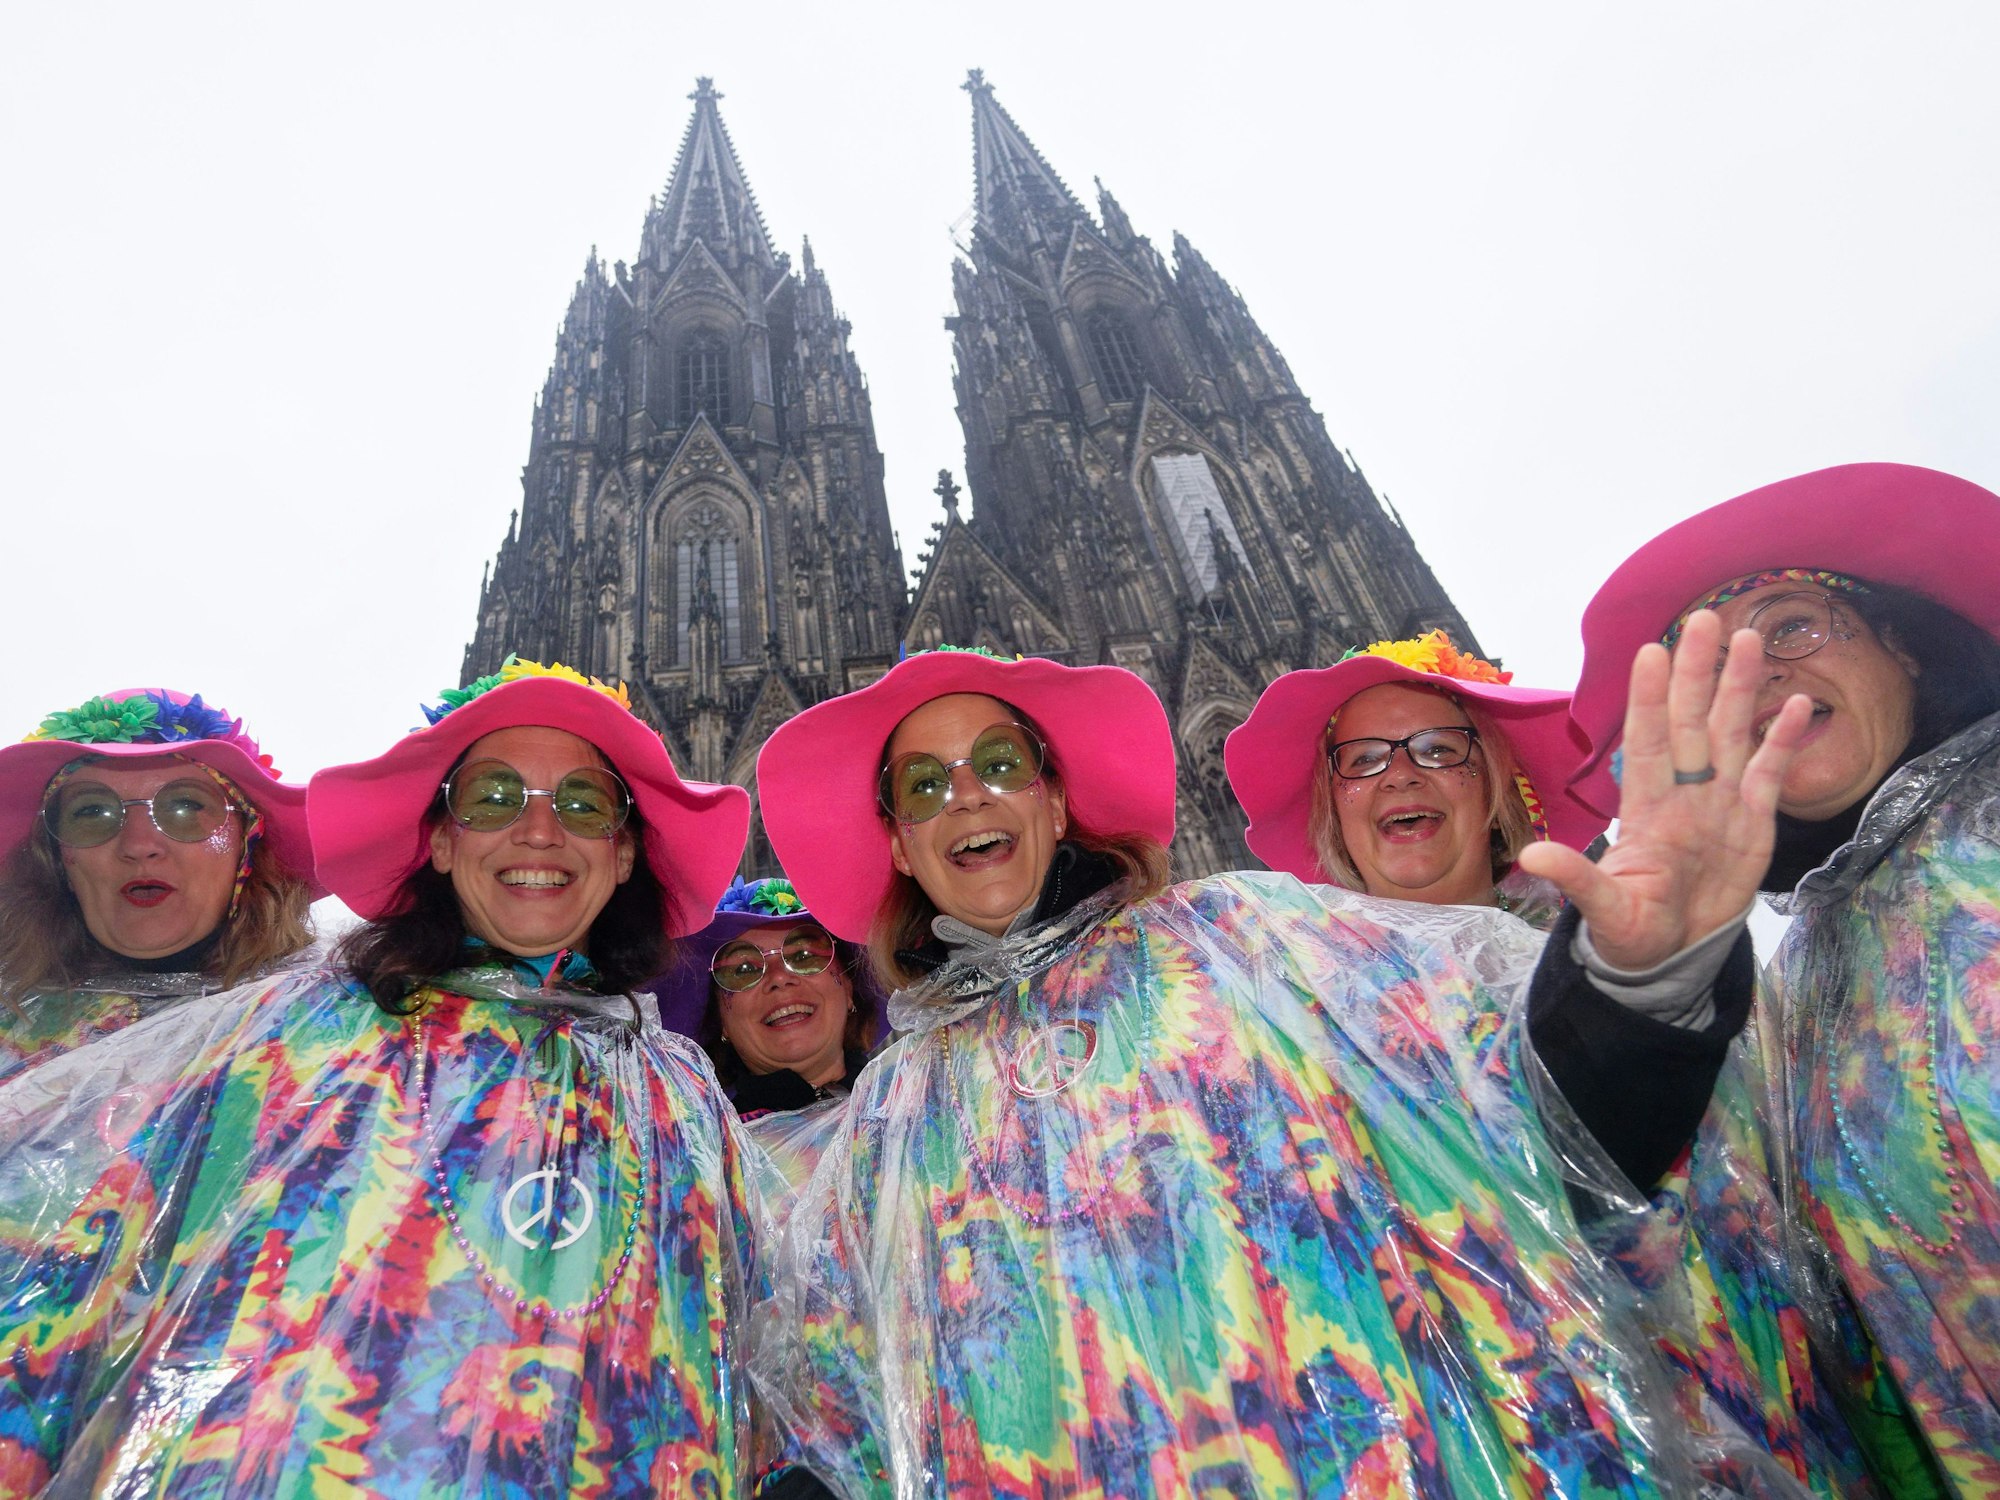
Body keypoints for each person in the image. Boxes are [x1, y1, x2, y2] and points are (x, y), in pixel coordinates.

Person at [749, 639, 1805, 1498]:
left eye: (1000, 765)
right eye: (925, 785)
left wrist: (1640, 983)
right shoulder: (892, 1108)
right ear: (898, 842)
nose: (967, 799)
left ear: (1055, 801)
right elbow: (837, 1407)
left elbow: (1528, 1121)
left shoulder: (1244, 937)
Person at [0, 657, 817, 1496]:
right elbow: (55, 1299)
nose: (540, 831)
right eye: (493, 798)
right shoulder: (286, 1033)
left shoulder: (680, 1094)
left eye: (583, 804)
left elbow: (758, 1362)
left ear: (623, 855)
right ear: (439, 838)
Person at [1568, 462, 2000, 1496]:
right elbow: (1662, 1242)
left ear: (1897, 636)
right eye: (1706, 667)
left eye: (1791, 624)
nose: (1753, 671)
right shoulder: (1800, 975)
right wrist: (1640, 989)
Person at [0, 687, 318, 1081]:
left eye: (186, 806)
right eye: (93, 811)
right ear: (57, 858)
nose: (139, 846)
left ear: (247, 845)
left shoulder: (334, 1024)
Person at [1224, 629, 1607, 925]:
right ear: (1332, 809)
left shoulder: (1598, 959)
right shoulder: (1280, 989)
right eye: (1364, 759)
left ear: (1499, 783)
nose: (1400, 776)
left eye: (1438, 749)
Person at [658, 875, 879, 1196]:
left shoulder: (919, 1106)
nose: (778, 978)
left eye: (804, 956)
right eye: (742, 970)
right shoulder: (695, 1164)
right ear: (720, 1019)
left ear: (848, 988)